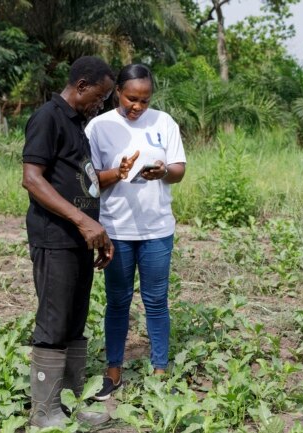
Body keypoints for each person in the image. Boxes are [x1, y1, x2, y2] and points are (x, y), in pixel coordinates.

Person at [21, 56, 115, 428]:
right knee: (54, 323)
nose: (102, 103)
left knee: (75, 322)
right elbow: (32, 178)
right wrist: (80, 220)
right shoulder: (48, 117)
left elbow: (84, 182)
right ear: (81, 86)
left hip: (79, 239)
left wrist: (98, 230)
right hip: (54, 237)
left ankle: (70, 407)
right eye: (100, 95)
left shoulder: (79, 125)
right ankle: (43, 412)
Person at [85, 63, 187, 401]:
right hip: (116, 228)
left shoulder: (164, 122)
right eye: (131, 99)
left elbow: (179, 169)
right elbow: (89, 180)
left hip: (157, 228)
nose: (137, 107)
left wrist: (163, 172)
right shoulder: (99, 127)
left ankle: (160, 370)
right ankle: (113, 371)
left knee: (156, 301)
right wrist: (118, 172)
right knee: (118, 302)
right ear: (117, 92)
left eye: (144, 100)